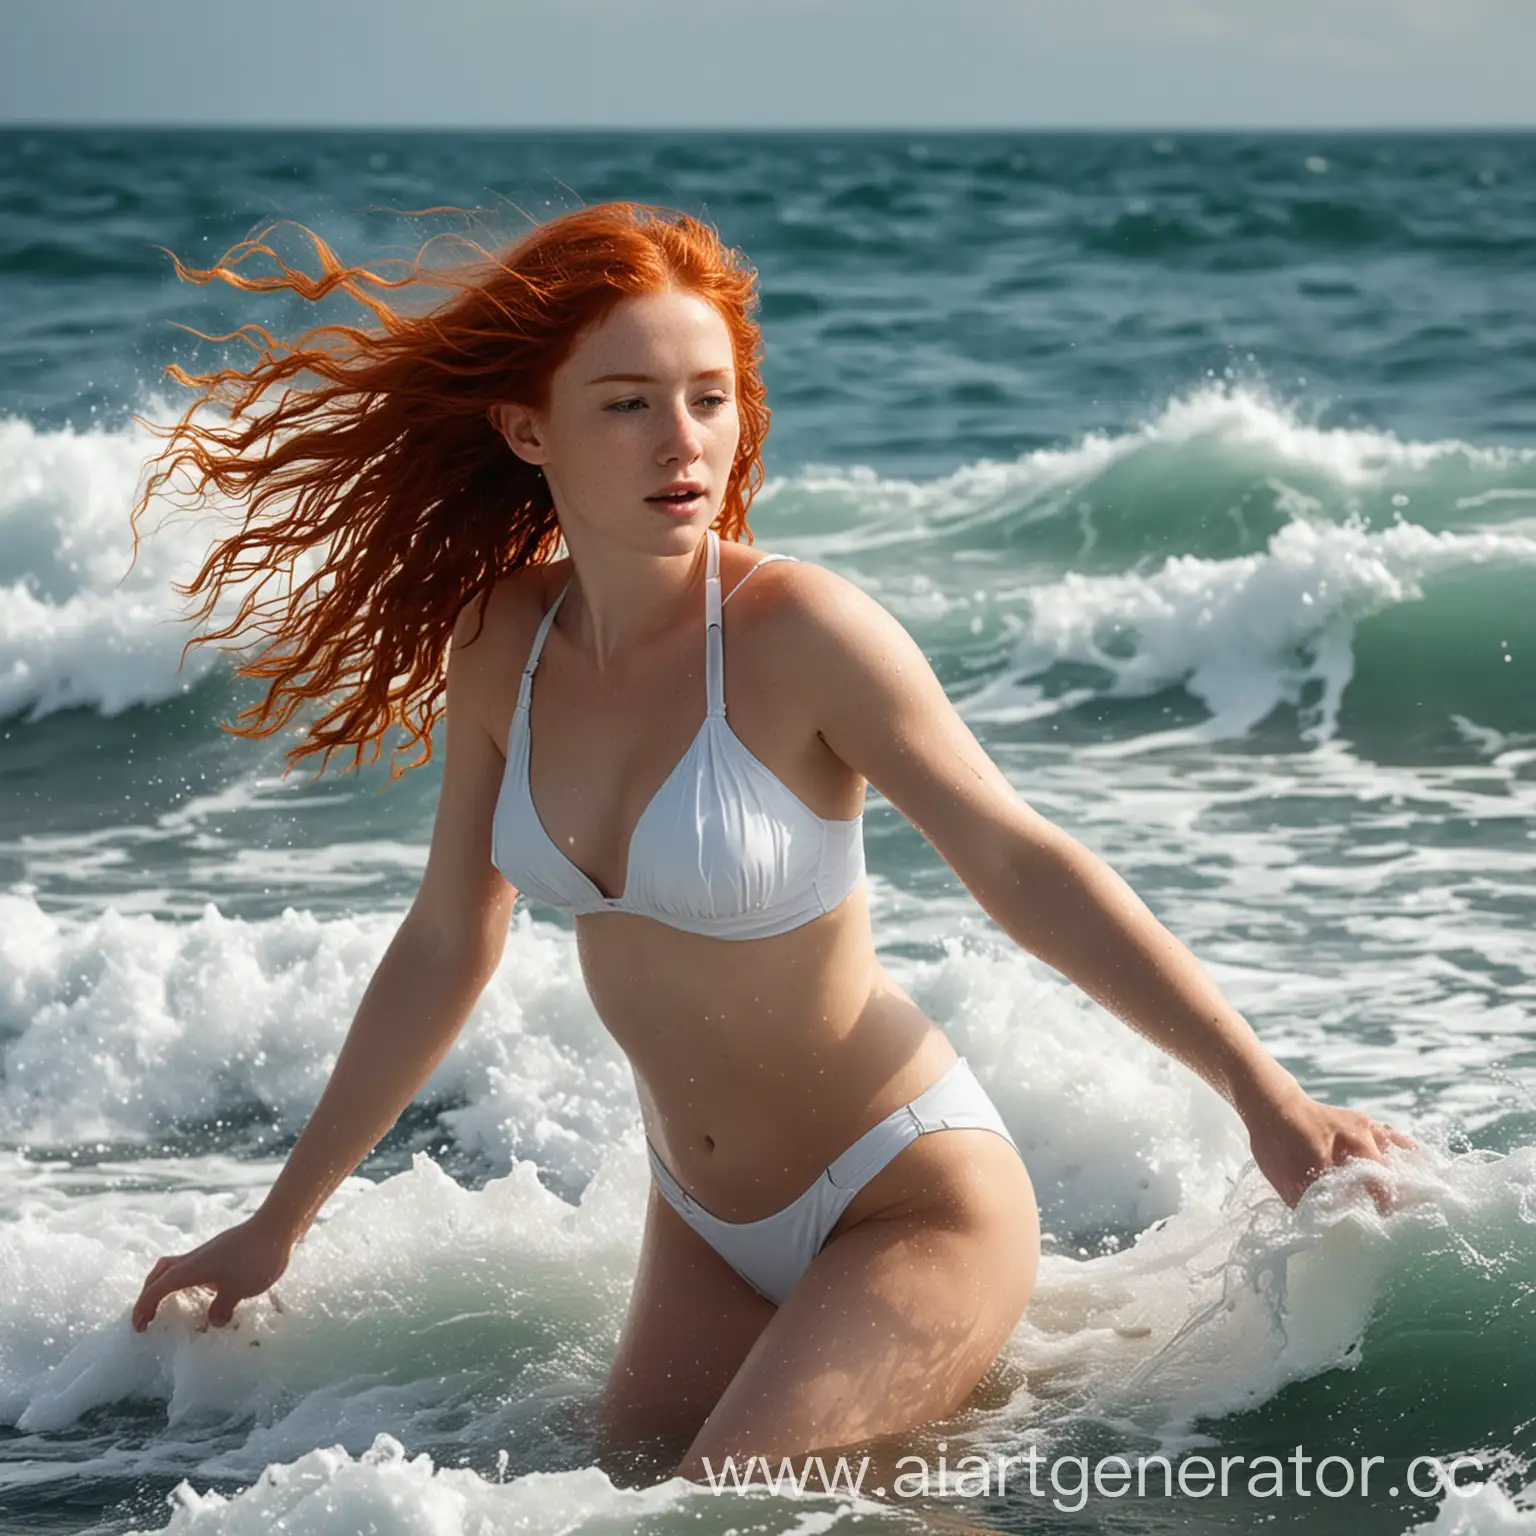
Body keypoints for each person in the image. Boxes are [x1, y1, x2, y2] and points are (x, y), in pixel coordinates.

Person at [127, 202, 1410, 1485]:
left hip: (909, 1197)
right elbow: (449, 940)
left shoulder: (798, 634)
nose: (681, 442)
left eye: (708, 396)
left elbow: (1019, 860)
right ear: (530, 428)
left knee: (718, 1518)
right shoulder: (499, 643)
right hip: (697, 1228)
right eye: (627, 403)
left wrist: (1266, 1095)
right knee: (620, 1506)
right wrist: (278, 1224)